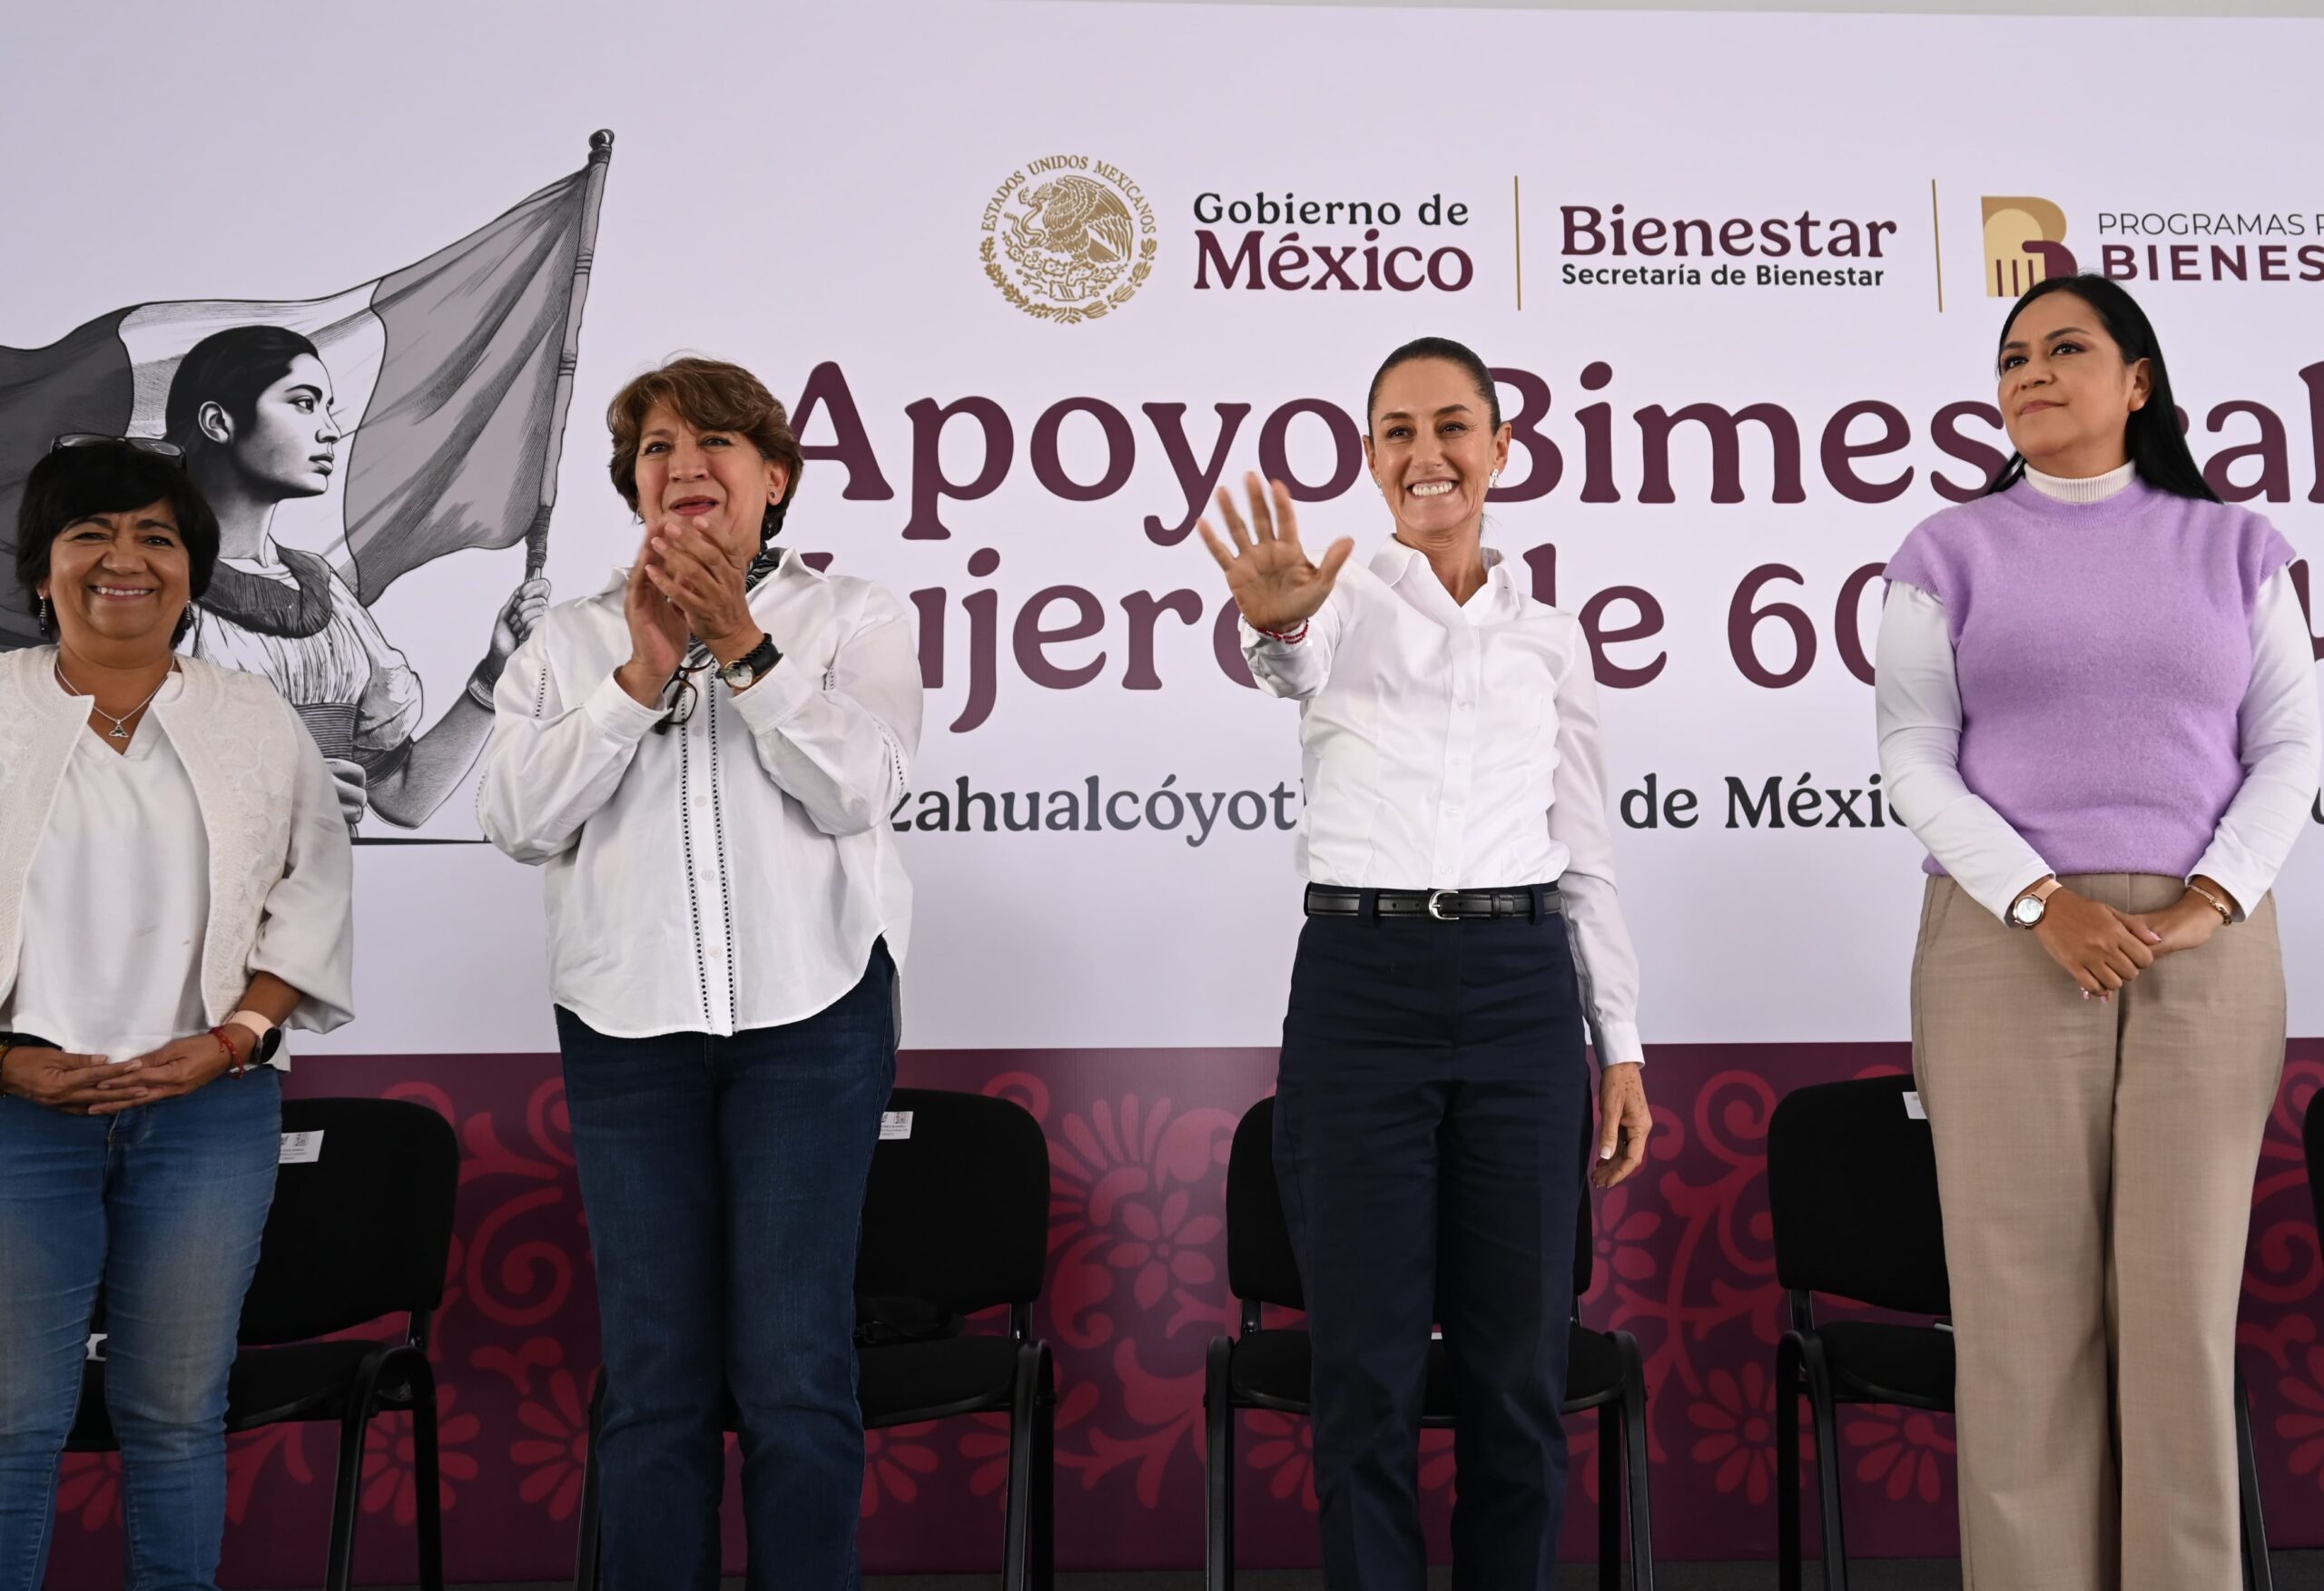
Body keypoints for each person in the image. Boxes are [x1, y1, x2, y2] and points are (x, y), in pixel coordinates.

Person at [1876, 274, 2319, 1589]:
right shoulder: (1946, 552)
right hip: (2006, 944)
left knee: (2179, 1316)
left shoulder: (2236, 546)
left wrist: (2211, 899)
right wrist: (2042, 901)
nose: (2032, 370)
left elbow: (2291, 744)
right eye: (2014, 355)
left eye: (2067, 348)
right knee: (2020, 1327)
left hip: (2210, 946)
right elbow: (1913, 754)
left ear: (2139, 381)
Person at [1196, 337, 1653, 1589]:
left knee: (1519, 1375)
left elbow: (1586, 852)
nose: (1425, 453)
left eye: (1452, 426)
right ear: (1371, 459)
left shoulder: (1551, 638)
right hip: (1362, 987)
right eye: (1396, 431)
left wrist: (1618, 1042)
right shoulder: (1334, 602)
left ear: (1502, 449)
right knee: (1367, 1376)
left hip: (1520, 992)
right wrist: (1276, 622)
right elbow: (1285, 656)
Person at [476, 356, 921, 1588]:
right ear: (632, 484)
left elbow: (861, 791)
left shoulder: (856, 617)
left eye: (719, 444)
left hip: (814, 1016)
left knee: (795, 1370)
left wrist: (741, 646)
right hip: (628, 1031)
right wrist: (634, 678)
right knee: (657, 1376)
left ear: (774, 480)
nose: (687, 465)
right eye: (659, 447)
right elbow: (516, 818)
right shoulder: (566, 644)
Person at [0, 437, 354, 1590]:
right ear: (39, 568)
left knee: (174, 1412)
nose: (125, 559)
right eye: (90, 533)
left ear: (193, 572)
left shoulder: (253, 717)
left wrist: (235, 1037)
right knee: (12, 1419)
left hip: (207, 1107)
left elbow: (313, 885)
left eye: (157, 535)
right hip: (19, 1109)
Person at [164, 324, 550, 831]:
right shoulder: (151, 586)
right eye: (304, 404)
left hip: (319, 897)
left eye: (328, 408)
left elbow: (405, 798)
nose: (329, 430)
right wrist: (281, 794)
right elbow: (113, 789)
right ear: (218, 421)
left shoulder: (320, 587)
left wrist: (495, 673)